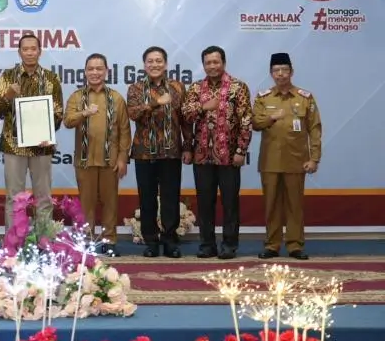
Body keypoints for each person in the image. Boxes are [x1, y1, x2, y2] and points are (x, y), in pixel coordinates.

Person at [183, 46, 252, 260]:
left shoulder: (237, 87)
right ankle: (207, 244)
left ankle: (229, 245)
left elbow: (246, 120)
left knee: (230, 202)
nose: (212, 66)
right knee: (205, 202)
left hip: (229, 155)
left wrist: (241, 150)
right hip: (202, 156)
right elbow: (185, 115)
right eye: (208, 63)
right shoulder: (195, 88)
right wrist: (204, 107)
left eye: (216, 62)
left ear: (223, 62)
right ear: (203, 65)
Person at [252, 52, 321, 261]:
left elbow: (315, 129)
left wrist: (314, 158)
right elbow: (255, 123)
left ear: (291, 72)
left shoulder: (305, 97)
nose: (280, 74)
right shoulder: (263, 98)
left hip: (297, 160)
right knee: (271, 204)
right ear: (271, 73)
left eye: (284, 70)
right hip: (270, 161)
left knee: (294, 205)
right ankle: (272, 245)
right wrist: (271, 117)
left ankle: (295, 245)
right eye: (276, 70)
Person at [126, 46, 193, 259]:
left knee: (170, 198)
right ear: (144, 65)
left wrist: (188, 146)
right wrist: (155, 103)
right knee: (147, 199)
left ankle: (170, 240)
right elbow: (133, 113)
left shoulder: (177, 87)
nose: (154, 65)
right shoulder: (136, 88)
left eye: (158, 61)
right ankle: (151, 241)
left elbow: (184, 120)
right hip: (144, 153)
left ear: (165, 64)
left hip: (171, 152)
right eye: (150, 61)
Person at [0, 33, 64, 228]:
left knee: (43, 197)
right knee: (15, 198)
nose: (30, 53)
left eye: (34, 49)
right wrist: (7, 96)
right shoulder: (8, 76)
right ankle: (14, 243)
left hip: (42, 146)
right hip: (14, 146)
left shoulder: (50, 78)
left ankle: (44, 243)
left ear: (40, 51)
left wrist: (48, 132)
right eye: (25, 49)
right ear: (19, 52)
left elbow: (58, 112)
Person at [64, 53, 131, 255]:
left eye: (99, 68)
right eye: (91, 69)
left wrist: (122, 158)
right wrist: (83, 113)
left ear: (106, 71)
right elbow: (67, 121)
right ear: (85, 72)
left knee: (110, 203)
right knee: (87, 204)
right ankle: (87, 241)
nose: (95, 72)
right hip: (85, 161)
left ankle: (109, 241)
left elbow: (125, 131)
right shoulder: (77, 97)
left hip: (110, 160)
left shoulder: (117, 98)